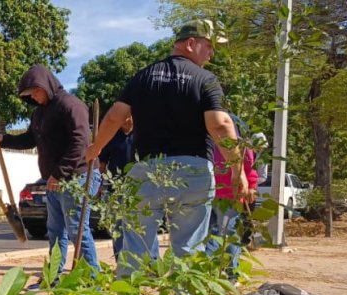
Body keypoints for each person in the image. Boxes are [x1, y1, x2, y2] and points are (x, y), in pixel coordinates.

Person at [84, 19, 249, 274]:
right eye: (209, 46)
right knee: (188, 250)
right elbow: (219, 124)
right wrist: (238, 172)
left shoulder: (142, 77)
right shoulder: (205, 79)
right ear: (191, 43)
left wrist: (95, 149)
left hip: (145, 172)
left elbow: (115, 116)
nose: (212, 53)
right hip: (193, 174)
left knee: (134, 248)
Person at [0, 64, 100, 288]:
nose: (35, 97)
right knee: (55, 231)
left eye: (36, 91)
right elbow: (30, 139)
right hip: (55, 181)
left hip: (77, 176)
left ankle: (93, 281)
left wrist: (59, 174)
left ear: (46, 84)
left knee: (77, 229)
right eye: (30, 94)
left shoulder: (70, 105)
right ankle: (52, 279)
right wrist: (5, 140)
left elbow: (80, 143)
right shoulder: (39, 113)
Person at [204, 114, 258, 279]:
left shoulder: (241, 147)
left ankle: (230, 273)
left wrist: (252, 187)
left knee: (225, 233)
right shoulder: (210, 144)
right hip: (210, 195)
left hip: (230, 196)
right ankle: (211, 271)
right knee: (215, 235)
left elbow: (249, 168)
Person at [98, 115, 134, 256]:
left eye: (127, 115)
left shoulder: (141, 135)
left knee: (138, 227)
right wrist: (99, 184)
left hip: (137, 189)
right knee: (118, 227)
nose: (124, 118)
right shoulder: (111, 136)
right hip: (116, 189)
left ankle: (144, 264)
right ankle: (121, 261)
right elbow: (102, 164)